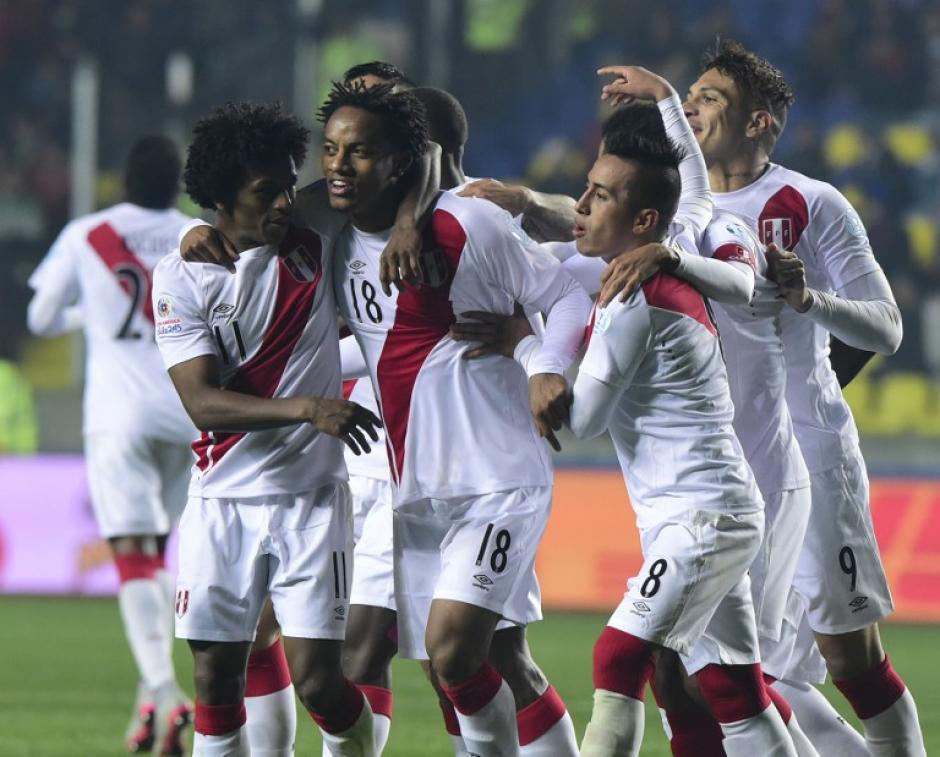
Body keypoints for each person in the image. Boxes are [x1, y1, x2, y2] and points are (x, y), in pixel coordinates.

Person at [320, 81, 591, 756]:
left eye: (360, 151)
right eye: (331, 150)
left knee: (454, 651)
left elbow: (566, 299)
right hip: (420, 491)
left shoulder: (473, 223)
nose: (338, 166)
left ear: (404, 159)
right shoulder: (338, 241)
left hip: (498, 480)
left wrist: (545, 366)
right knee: (463, 665)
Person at [684, 40, 924, 757]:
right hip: (721, 460)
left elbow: (886, 325)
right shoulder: (671, 205)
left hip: (811, 454)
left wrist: (808, 297)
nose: (694, 106)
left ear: (760, 122)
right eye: (690, 95)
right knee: (738, 667)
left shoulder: (810, 202)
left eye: (713, 98)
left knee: (849, 659)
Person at [152, 101, 383, 756]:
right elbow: (202, 401)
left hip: (311, 500)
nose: (284, 201)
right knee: (214, 678)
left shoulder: (312, 227)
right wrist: (308, 407)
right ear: (222, 198)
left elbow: (383, 175)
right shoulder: (183, 276)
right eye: (265, 192)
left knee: (320, 684)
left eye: (288, 183)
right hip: (222, 500)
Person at [27, 135, 196, 755]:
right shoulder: (195, 235)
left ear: (123, 180)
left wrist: (85, 315)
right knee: (155, 556)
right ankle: (150, 707)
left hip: (119, 415)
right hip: (185, 412)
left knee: (132, 556)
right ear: (178, 182)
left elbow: (41, 318)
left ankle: (165, 691)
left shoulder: (89, 233)